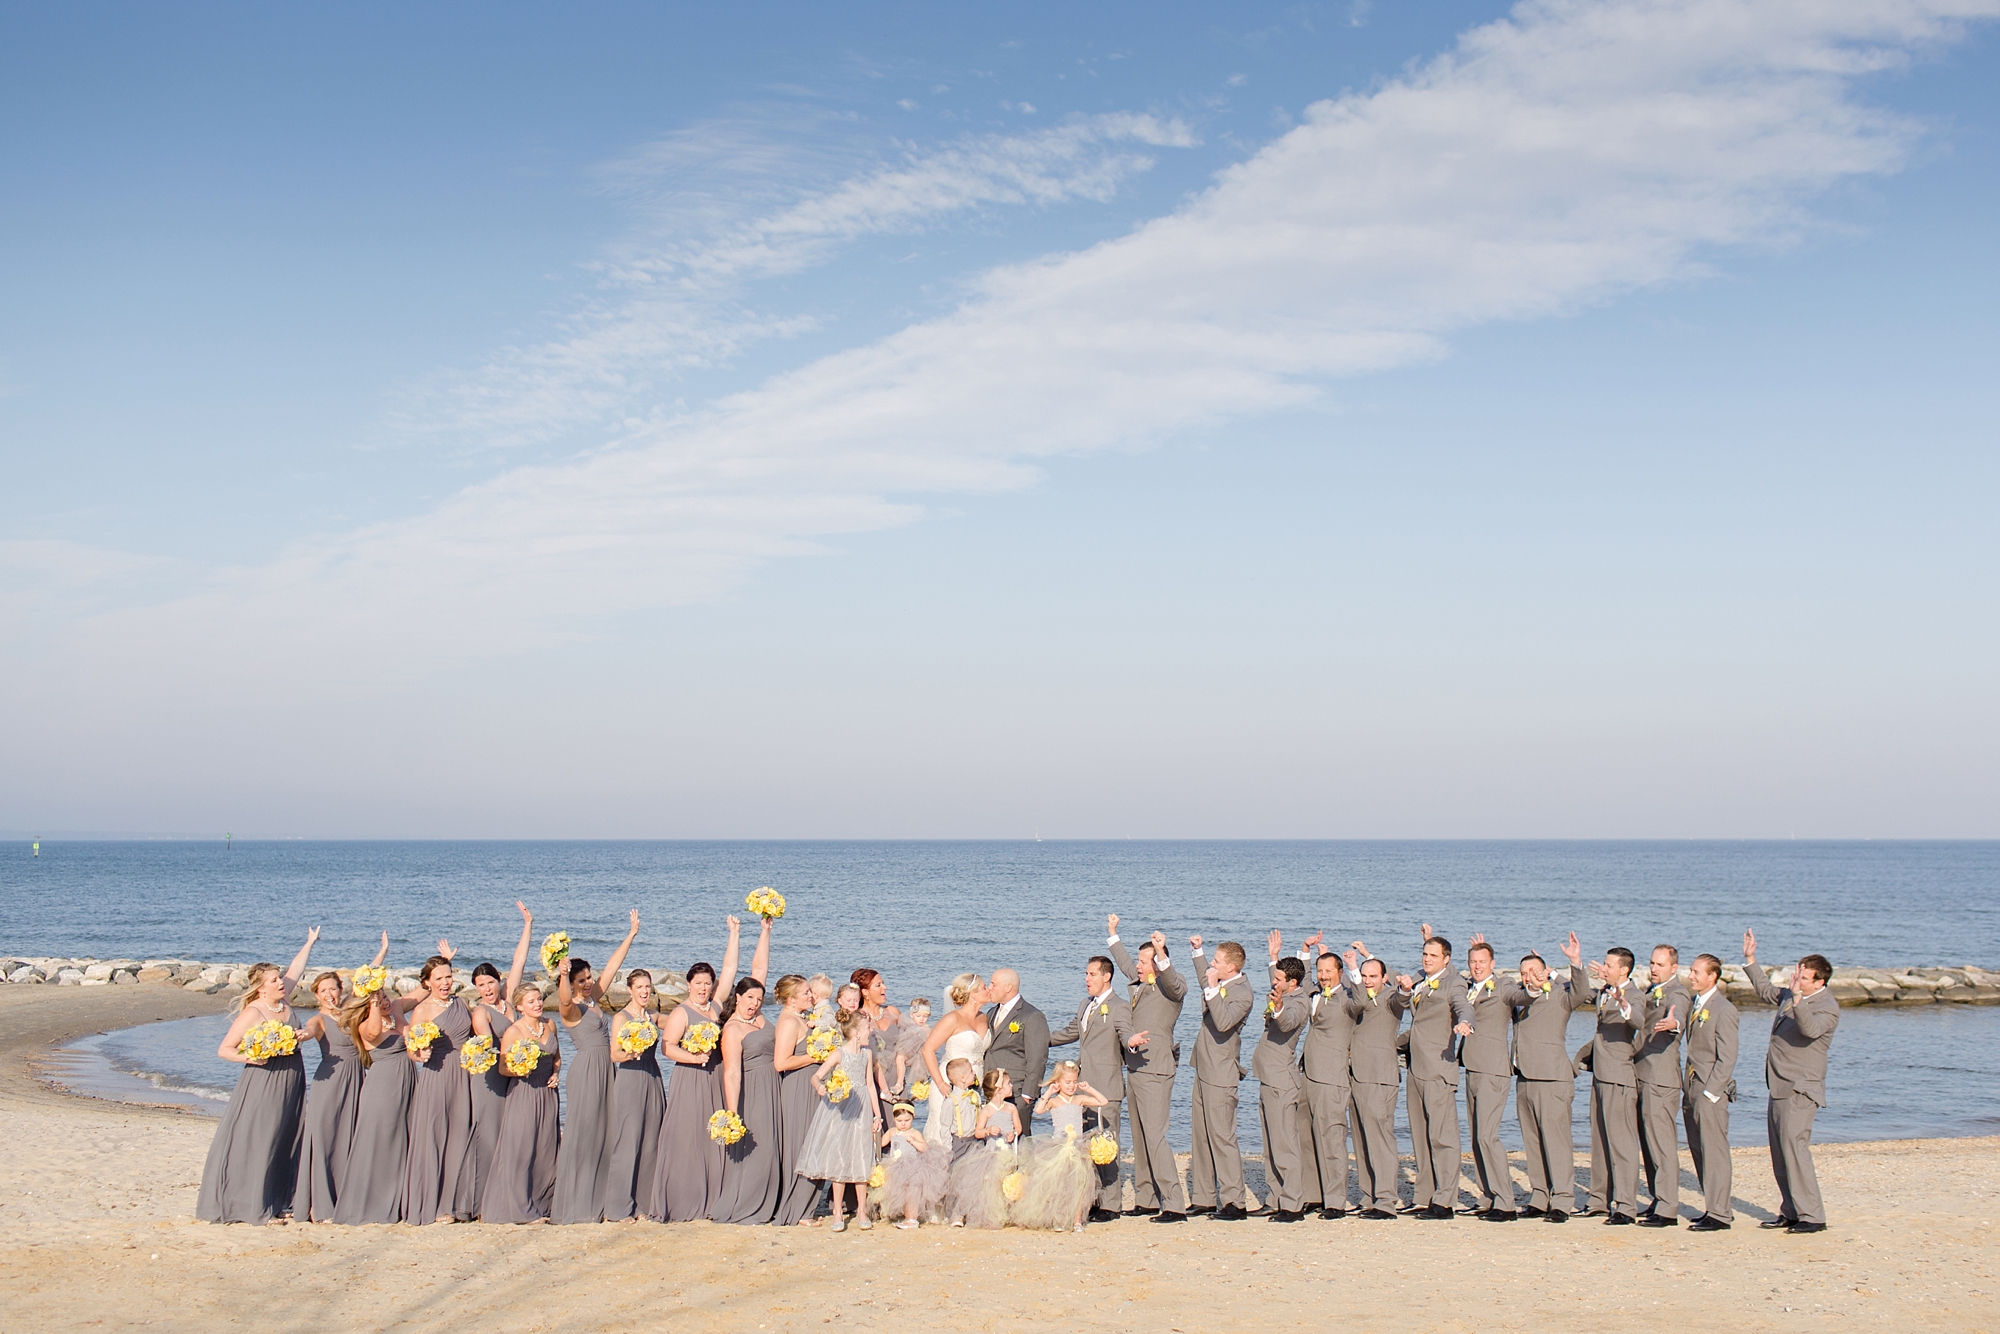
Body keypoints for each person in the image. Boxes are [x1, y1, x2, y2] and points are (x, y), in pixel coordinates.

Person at [196, 929, 320, 1223]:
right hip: (263, 1080)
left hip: (292, 1076)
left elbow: (296, 969)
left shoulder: (284, 1000)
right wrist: (251, 1056)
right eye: (275, 980)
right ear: (261, 988)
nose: (282, 982)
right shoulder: (254, 1011)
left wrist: (309, 942)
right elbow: (224, 1049)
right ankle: (255, 1206)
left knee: (286, 1138)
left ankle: (279, 1201)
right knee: (263, 1139)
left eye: (280, 978)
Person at [651, 915, 753, 1221]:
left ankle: (715, 1197)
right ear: (688, 985)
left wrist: (734, 934)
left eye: (708, 984)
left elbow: (730, 970)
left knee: (714, 1135)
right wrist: (694, 1057)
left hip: (715, 1077)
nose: (704, 988)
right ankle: (684, 1198)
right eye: (698, 984)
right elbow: (667, 1047)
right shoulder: (682, 1012)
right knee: (689, 1135)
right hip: (691, 1076)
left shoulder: (717, 1007)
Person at [1743, 931, 1839, 1234]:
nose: (1795, 977)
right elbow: (1764, 990)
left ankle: (1813, 1215)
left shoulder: (1827, 1006)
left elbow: (1810, 1029)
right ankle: (1791, 1210)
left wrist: (1797, 998)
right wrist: (1750, 960)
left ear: (1819, 982)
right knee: (1780, 1151)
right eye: (1796, 971)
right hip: (1779, 1084)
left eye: (1803, 975)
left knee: (1795, 1150)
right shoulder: (1789, 995)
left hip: (1801, 1088)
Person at [550, 910, 640, 1225]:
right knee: (585, 1134)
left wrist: (630, 934)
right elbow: (563, 997)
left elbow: (613, 969)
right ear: (571, 983)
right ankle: (578, 1204)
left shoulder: (593, 999)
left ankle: (606, 1201)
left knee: (608, 1131)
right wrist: (563, 976)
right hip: (588, 1071)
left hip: (608, 1069)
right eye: (582, 980)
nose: (589, 983)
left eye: (589, 978)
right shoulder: (570, 1008)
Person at [292, 935, 382, 1222]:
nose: (330, 994)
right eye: (324, 990)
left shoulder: (351, 1010)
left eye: (334, 988)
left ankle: (347, 1199)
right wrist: (300, 1036)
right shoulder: (318, 1020)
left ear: (341, 990)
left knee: (351, 1137)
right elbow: (307, 1032)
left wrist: (381, 952)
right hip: (329, 1084)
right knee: (325, 1139)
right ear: (316, 995)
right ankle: (318, 1205)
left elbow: (366, 981)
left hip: (357, 1080)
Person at [1044, 949, 1137, 1223]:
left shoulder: (1119, 1006)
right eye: (1086, 974)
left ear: (1107, 977)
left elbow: (1124, 1032)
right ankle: (1093, 1199)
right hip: (1081, 1087)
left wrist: (1131, 1042)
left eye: (1092, 974)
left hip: (1105, 1086)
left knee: (1106, 1143)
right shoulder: (1085, 1004)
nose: (1087, 978)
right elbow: (1072, 1032)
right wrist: (1040, 1040)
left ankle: (1112, 1204)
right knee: (1084, 1145)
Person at [1108, 919, 1187, 1221]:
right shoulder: (1142, 984)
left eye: (1144, 962)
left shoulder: (1171, 988)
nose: (1137, 967)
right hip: (1136, 1068)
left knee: (1155, 1136)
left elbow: (1174, 982)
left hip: (1156, 1069)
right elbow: (1127, 963)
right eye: (1140, 961)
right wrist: (1113, 935)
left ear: (1156, 963)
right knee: (1140, 1136)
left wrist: (1160, 952)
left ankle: (1174, 1204)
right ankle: (1147, 1198)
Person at [1512, 937, 1592, 1222]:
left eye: (1532, 972)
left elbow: (1583, 992)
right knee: (1532, 1141)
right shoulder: (1520, 997)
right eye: (1522, 973)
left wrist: (1573, 963)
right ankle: (1540, 1196)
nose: (1527, 977)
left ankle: (1562, 1200)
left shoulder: (1560, 994)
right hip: (1524, 1077)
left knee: (1556, 1142)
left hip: (1552, 1078)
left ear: (1544, 972)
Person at [1398, 925, 1473, 1220]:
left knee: (1443, 1137)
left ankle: (1445, 1200)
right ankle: (1425, 1195)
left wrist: (1466, 1023)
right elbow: (1420, 975)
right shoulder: (1424, 980)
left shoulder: (1453, 983)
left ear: (1447, 959)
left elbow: (1463, 1006)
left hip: (1439, 1068)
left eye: (1433, 955)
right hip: (1417, 1067)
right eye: (1424, 953)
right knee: (1420, 1135)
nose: (1427, 959)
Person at [465, 902, 533, 1210]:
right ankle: (482, 1201)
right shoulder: (481, 1012)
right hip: (492, 1076)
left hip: (515, 1076)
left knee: (512, 1134)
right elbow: (485, 1044)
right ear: (476, 989)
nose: (487, 989)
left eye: (490, 982)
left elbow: (519, 961)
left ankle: (508, 1192)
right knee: (490, 1133)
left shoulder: (509, 998)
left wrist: (528, 924)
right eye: (481, 985)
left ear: (498, 980)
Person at [331, 985, 418, 1224]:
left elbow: (422, 992)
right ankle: (371, 1203)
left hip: (408, 1083)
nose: (386, 1002)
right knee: (381, 1140)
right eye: (379, 1000)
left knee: (403, 1140)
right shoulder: (365, 1026)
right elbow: (374, 1030)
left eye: (386, 997)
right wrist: (374, 1003)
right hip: (384, 1088)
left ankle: (398, 1200)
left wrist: (441, 963)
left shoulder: (395, 1018)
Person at [480, 983, 561, 1224]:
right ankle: (519, 1209)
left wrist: (556, 1073)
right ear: (519, 1006)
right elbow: (503, 1067)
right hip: (524, 1093)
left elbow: (556, 1056)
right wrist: (521, 1069)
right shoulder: (514, 1031)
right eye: (531, 1001)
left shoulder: (550, 1024)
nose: (537, 1004)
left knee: (546, 1150)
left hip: (547, 1093)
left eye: (538, 999)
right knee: (521, 1151)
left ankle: (542, 1204)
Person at [797, 1008, 882, 1233]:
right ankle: (836, 1212)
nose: (870, 1032)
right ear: (855, 1032)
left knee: (862, 1154)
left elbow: (870, 1085)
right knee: (840, 1156)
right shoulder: (839, 1054)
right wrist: (821, 1087)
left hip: (862, 1105)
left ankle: (862, 1210)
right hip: (842, 1107)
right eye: (867, 1028)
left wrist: (877, 1114)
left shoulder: (867, 1054)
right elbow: (816, 1076)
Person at [1187, 936, 1254, 1219]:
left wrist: (1213, 988)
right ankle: (1204, 1196)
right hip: (1203, 1068)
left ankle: (1234, 1201)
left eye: (1216, 962)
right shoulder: (1220, 983)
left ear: (1231, 967)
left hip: (1222, 1072)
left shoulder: (1243, 993)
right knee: (1200, 1136)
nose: (1211, 966)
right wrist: (1198, 952)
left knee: (1222, 1137)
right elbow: (1207, 980)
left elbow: (1224, 1022)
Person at [1296, 938, 1360, 1218]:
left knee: (1332, 1139)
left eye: (1328, 972)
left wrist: (1354, 967)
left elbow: (1362, 998)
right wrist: (1307, 952)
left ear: (1339, 974)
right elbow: (1307, 979)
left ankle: (1335, 1200)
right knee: (1306, 1137)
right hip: (1307, 1074)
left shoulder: (1347, 997)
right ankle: (1313, 1194)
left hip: (1332, 1077)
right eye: (1321, 972)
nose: (1323, 976)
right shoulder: (1314, 993)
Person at [715, 975, 784, 1224]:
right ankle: (749, 1203)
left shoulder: (761, 1019)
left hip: (775, 1084)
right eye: (749, 998)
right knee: (760, 1145)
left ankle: (773, 1199)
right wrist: (733, 1112)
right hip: (754, 1089)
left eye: (758, 999)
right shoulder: (733, 1029)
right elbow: (732, 1073)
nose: (754, 1003)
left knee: (775, 1143)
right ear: (737, 997)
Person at [1585, 945, 1647, 1224]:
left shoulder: (1633, 995)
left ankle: (1625, 1206)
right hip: (1600, 1074)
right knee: (1599, 1141)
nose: (1604, 969)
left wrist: (1624, 1006)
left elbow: (1638, 1020)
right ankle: (1599, 1200)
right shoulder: (1604, 991)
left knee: (1621, 1145)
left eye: (1610, 965)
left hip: (1619, 1077)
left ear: (1624, 969)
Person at [1458, 934, 1518, 1220]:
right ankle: (1488, 1196)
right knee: (1476, 1137)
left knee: (1487, 1136)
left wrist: (1539, 981)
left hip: (1493, 1069)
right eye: (1473, 961)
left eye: (1482, 962)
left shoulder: (1503, 985)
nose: (1477, 966)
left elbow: (1522, 995)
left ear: (1493, 964)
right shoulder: (1469, 987)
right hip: (1471, 1067)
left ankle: (1506, 1201)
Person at [1344, 952, 1407, 1219]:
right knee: (1360, 1137)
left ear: (1384, 978)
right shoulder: (1357, 997)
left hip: (1379, 1077)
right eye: (1364, 976)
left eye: (1373, 976)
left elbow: (1402, 998)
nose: (1368, 981)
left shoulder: (1391, 998)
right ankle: (1369, 1196)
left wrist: (1403, 988)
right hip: (1356, 1074)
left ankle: (1386, 1201)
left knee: (1380, 1138)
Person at [1680, 951, 1740, 1231]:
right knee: (1699, 1149)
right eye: (1691, 971)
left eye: (1696, 972)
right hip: (1692, 1085)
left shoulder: (1724, 1009)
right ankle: (1714, 1206)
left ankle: (1720, 1213)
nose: (1691, 976)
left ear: (1712, 976)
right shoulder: (1696, 1003)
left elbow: (1727, 1057)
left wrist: (1711, 1093)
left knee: (1714, 1151)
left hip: (1709, 1090)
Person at [1254, 941, 1309, 1222]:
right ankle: (1275, 1197)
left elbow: (1287, 1021)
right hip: (1267, 1077)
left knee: (1285, 1144)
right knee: (1270, 1144)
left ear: (1293, 982)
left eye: (1278, 979)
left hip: (1282, 1081)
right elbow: (1278, 985)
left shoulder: (1300, 1003)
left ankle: (1293, 1204)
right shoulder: (1284, 990)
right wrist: (1273, 957)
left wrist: (1276, 1008)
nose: (1273, 983)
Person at [605, 967, 666, 1221]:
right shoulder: (621, 1017)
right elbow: (614, 1054)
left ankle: (643, 1205)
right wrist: (631, 1052)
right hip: (630, 1076)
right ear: (630, 990)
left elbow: (681, 1021)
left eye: (647, 987)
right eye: (639, 987)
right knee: (627, 1141)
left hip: (652, 1076)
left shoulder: (653, 1016)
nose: (644, 991)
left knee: (651, 1141)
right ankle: (618, 1207)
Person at [1636, 944, 1690, 1226]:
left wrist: (1674, 1022)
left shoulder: (1677, 992)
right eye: (1652, 963)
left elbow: (1678, 1012)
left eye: (1660, 964)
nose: (1654, 968)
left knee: (1662, 1144)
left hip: (1661, 1078)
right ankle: (1658, 1199)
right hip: (1643, 1074)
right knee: (1648, 1144)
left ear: (1673, 968)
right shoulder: (1650, 991)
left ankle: (1668, 1208)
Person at [1023, 1061, 1108, 1231]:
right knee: (1060, 1184)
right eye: (1067, 1082)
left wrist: (1088, 1088)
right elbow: (1038, 1110)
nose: (1071, 1086)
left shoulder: (1079, 1099)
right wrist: (1048, 1092)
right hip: (1058, 1146)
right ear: (1058, 1082)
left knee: (1078, 1184)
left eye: (1074, 1082)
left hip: (1078, 1146)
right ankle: (1060, 1219)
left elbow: (1103, 1101)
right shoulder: (1055, 1101)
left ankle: (1077, 1220)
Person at [771, 975, 826, 1226]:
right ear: (791, 999)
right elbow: (781, 1062)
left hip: (811, 1085)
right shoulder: (788, 1022)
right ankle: (797, 1210)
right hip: (798, 1086)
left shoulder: (801, 1019)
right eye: (805, 993)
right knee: (801, 1144)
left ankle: (808, 1207)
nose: (811, 997)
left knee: (815, 1141)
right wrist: (814, 1057)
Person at [944, 1068, 1022, 1229]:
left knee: (1007, 1180)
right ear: (999, 1089)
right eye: (1008, 1083)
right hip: (992, 1152)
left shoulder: (1011, 1108)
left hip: (1008, 1151)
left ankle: (1007, 1211)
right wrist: (988, 1130)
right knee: (989, 1183)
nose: (1012, 1086)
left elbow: (1018, 1127)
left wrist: (1013, 1134)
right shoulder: (986, 1110)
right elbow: (978, 1132)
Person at [922, 973, 991, 1146]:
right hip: (949, 1083)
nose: (988, 989)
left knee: (968, 1131)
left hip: (974, 1084)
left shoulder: (983, 1017)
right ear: (973, 994)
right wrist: (941, 1084)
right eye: (984, 987)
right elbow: (927, 1050)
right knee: (944, 1131)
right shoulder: (953, 1018)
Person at [982, 969, 1048, 1141]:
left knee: (1019, 1140)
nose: (989, 988)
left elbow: (1038, 1058)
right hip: (993, 1090)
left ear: (1008, 988)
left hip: (1017, 1091)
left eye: (993, 984)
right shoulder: (992, 1013)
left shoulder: (1032, 1016)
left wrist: (1028, 1093)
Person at [876, 1101, 948, 1228]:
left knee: (911, 1192)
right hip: (895, 1166)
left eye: (907, 1120)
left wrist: (914, 1142)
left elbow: (925, 1147)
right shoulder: (892, 1132)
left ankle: (912, 1218)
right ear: (894, 1119)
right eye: (899, 1121)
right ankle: (904, 1215)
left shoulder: (914, 1133)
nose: (903, 1124)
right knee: (899, 1192)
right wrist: (874, 1132)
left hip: (911, 1166)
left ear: (913, 1118)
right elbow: (881, 1143)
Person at [852, 968, 904, 1098]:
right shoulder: (856, 1018)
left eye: (883, 983)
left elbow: (907, 1043)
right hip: (870, 1081)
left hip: (897, 1081)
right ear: (865, 992)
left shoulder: (893, 1012)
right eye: (878, 985)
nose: (885, 988)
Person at [894, 998, 933, 1096]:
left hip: (919, 1054)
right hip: (907, 1050)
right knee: (900, 1058)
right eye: (918, 1016)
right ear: (912, 1015)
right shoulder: (907, 1024)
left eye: (925, 1016)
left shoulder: (926, 1029)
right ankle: (899, 1083)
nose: (922, 1019)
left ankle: (921, 1087)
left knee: (921, 1073)